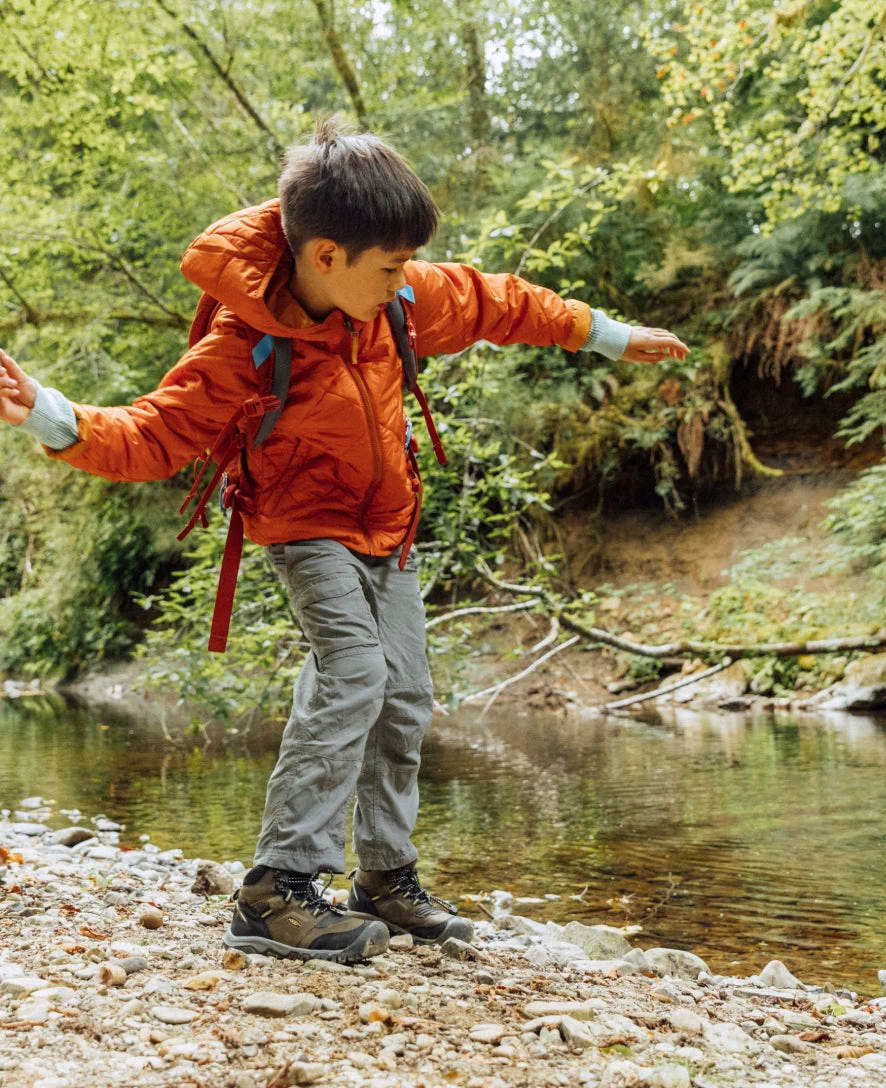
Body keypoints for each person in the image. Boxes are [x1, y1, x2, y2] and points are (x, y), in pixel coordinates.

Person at [0, 118, 689, 964]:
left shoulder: (396, 301)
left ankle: (385, 878)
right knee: (355, 673)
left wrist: (608, 335)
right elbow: (154, 434)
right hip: (304, 529)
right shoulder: (246, 343)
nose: (405, 281)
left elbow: (497, 302)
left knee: (405, 694)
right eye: (391, 267)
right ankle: (275, 890)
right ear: (327, 256)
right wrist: (47, 413)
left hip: (388, 527)